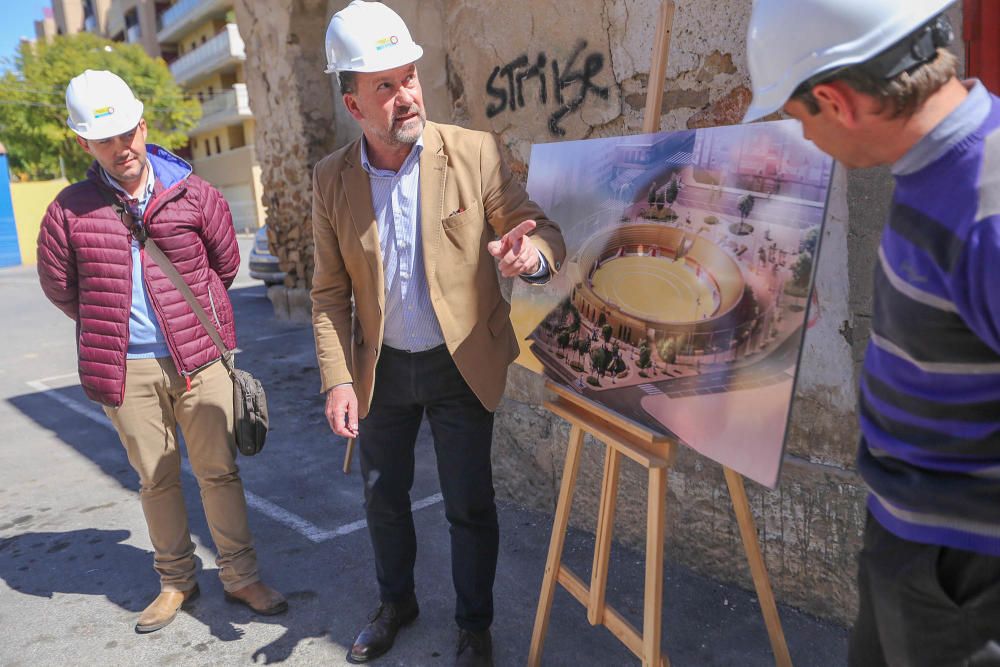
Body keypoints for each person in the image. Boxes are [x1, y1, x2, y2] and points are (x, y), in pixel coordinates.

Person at [744, 1, 1000, 664]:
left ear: (836, 99)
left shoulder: (989, 205)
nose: (806, 138)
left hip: (963, 579)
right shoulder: (941, 169)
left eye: (800, 119)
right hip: (913, 543)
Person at [311, 2, 565, 664]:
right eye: (384, 87)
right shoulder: (331, 180)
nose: (406, 97)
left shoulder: (472, 153)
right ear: (353, 104)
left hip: (460, 362)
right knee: (382, 497)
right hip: (383, 369)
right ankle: (396, 602)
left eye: (409, 78)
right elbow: (329, 293)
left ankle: (474, 625)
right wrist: (339, 377)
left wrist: (528, 257)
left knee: (469, 502)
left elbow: (539, 230)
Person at [36, 70, 286, 634]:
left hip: (200, 357)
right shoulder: (68, 211)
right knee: (156, 478)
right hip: (126, 367)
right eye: (105, 139)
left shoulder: (195, 194)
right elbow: (60, 286)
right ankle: (175, 580)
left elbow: (224, 265)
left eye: (127, 132)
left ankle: (240, 576)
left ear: (143, 125)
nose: (121, 147)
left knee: (219, 472)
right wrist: (111, 324)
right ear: (84, 145)